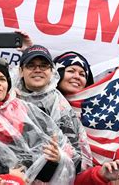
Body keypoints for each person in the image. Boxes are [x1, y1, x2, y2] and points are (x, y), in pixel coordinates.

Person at [16, 44, 92, 172]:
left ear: (51, 71)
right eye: (31, 65)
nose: (38, 70)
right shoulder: (7, 96)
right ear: (21, 71)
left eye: (44, 66)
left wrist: (60, 157)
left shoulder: (61, 107)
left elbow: (80, 159)